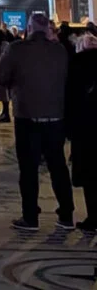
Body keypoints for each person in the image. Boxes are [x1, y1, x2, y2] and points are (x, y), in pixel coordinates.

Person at [0, 12, 75, 231]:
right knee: (58, 166)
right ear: (48, 28)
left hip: (27, 116)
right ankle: (66, 215)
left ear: (28, 28)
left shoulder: (17, 49)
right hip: (56, 117)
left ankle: (30, 217)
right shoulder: (60, 51)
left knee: (28, 169)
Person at [66, 32, 97, 232]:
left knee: (89, 178)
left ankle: (93, 218)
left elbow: (69, 99)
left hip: (85, 130)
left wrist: (69, 130)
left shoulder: (76, 65)